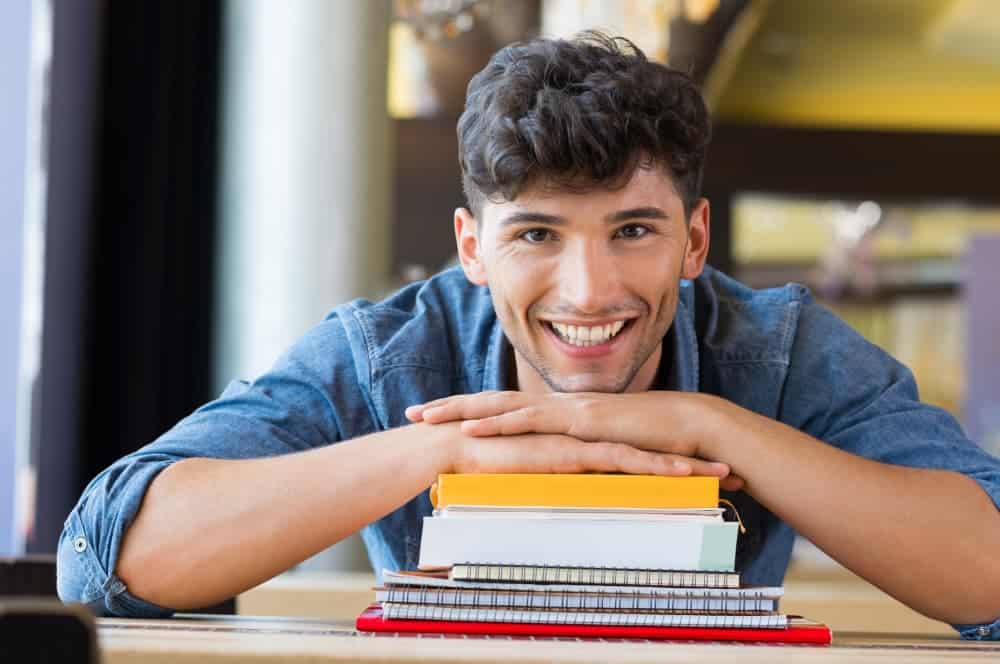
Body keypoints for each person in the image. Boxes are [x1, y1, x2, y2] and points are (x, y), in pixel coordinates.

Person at [57, 33, 1000, 639]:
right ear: (472, 247)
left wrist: (718, 427)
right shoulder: (392, 352)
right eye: (537, 234)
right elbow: (109, 558)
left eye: (633, 230)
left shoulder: (781, 349)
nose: (589, 291)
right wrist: (447, 445)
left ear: (695, 239)